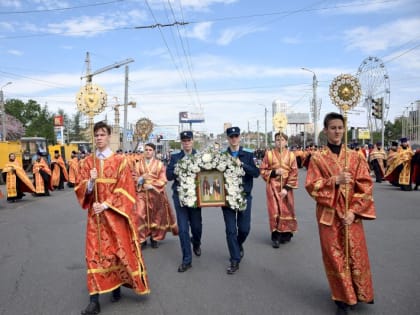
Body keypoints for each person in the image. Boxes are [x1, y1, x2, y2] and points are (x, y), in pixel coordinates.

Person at [75, 121, 149, 315]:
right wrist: (90, 183)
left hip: (114, 217)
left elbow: (126, 188)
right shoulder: (87, 162)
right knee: (93, 255)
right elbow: (80, 189)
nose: (99, 138)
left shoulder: (120, 161)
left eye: (102, 134)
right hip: (95, 220)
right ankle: (94, 301)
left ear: (108, 137)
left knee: (116, 252)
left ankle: (115, 286)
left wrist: (106, 204)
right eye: (96, 135)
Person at [305, 112, 376, 314]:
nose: (337, 131)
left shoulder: (355, 157)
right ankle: (343, 298)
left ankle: (359, 292)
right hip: (329, 214)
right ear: (325, 130)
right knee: (334, 256)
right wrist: (333, 181)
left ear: (344, 130)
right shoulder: (318, 158)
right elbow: (312, 186)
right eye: (333, 128)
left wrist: (353, 211)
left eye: (340, 127)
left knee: (355, 253)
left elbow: (366, 187)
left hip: (351, 215)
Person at [222, 127, 259, 274]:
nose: (234, 139)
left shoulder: (248, 154)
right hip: (227, 198)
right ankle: (234, 259)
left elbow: (256, 173)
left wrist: (242, 164)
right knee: (231, 230)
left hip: (244, 196)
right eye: (231, 137)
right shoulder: (222, 155)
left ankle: (238, 245)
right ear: (228, 139)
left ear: (240, 137)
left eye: (236, 136)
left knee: (244, 229)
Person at [166, 131, 202, 273]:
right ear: (181, 142)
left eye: (189, 140)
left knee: (197, 227)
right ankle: (187, 259)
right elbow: (168, 176)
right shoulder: (175, 157)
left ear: (193, 141)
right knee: (182, 228)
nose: (186, 143)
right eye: (184, 140)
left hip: (196, 196)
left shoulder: (200, 156)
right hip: (180, 195)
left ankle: (197, 242)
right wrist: (177, 169)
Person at [132, 142, 178, 249]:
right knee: (139, 214)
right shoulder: (138, 164)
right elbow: (133, 177)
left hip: (156, 193)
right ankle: (142, 238)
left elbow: (163, 179)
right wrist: (141, 178)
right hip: (142, 192)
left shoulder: (159, 164)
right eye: (146, 150)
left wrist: (152, 185)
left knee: (156, 216)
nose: (148, 152)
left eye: (150, 150)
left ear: (154, 152)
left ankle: (155, 237)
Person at [260, 132, 298, 248]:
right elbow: (262, 170)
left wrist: (286, 188)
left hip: (286, 187)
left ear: (286, 142)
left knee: (286, 210)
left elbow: (294, 172)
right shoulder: (269, 154)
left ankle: (286, 233)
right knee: (274, 210)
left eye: (282, 139)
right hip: (272, 187)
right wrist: (274, 172)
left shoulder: (291, 156)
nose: (279, 142)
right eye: (277, 139)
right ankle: (275, 236)